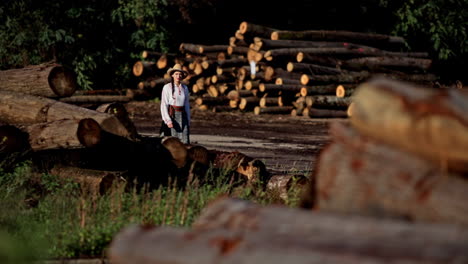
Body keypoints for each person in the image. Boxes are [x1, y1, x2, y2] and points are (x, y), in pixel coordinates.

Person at [160, 64, 191, 144]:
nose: (178, 76)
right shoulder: (167, 87)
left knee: (184, 142)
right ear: (172, 75)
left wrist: (188, 120)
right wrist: (168, 120)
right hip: (172, 116)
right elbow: (164, 105)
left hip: (183, 116)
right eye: (176, 74)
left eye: (180, 74)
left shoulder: (185, 88)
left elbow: (186, 104)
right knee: (172, 142)